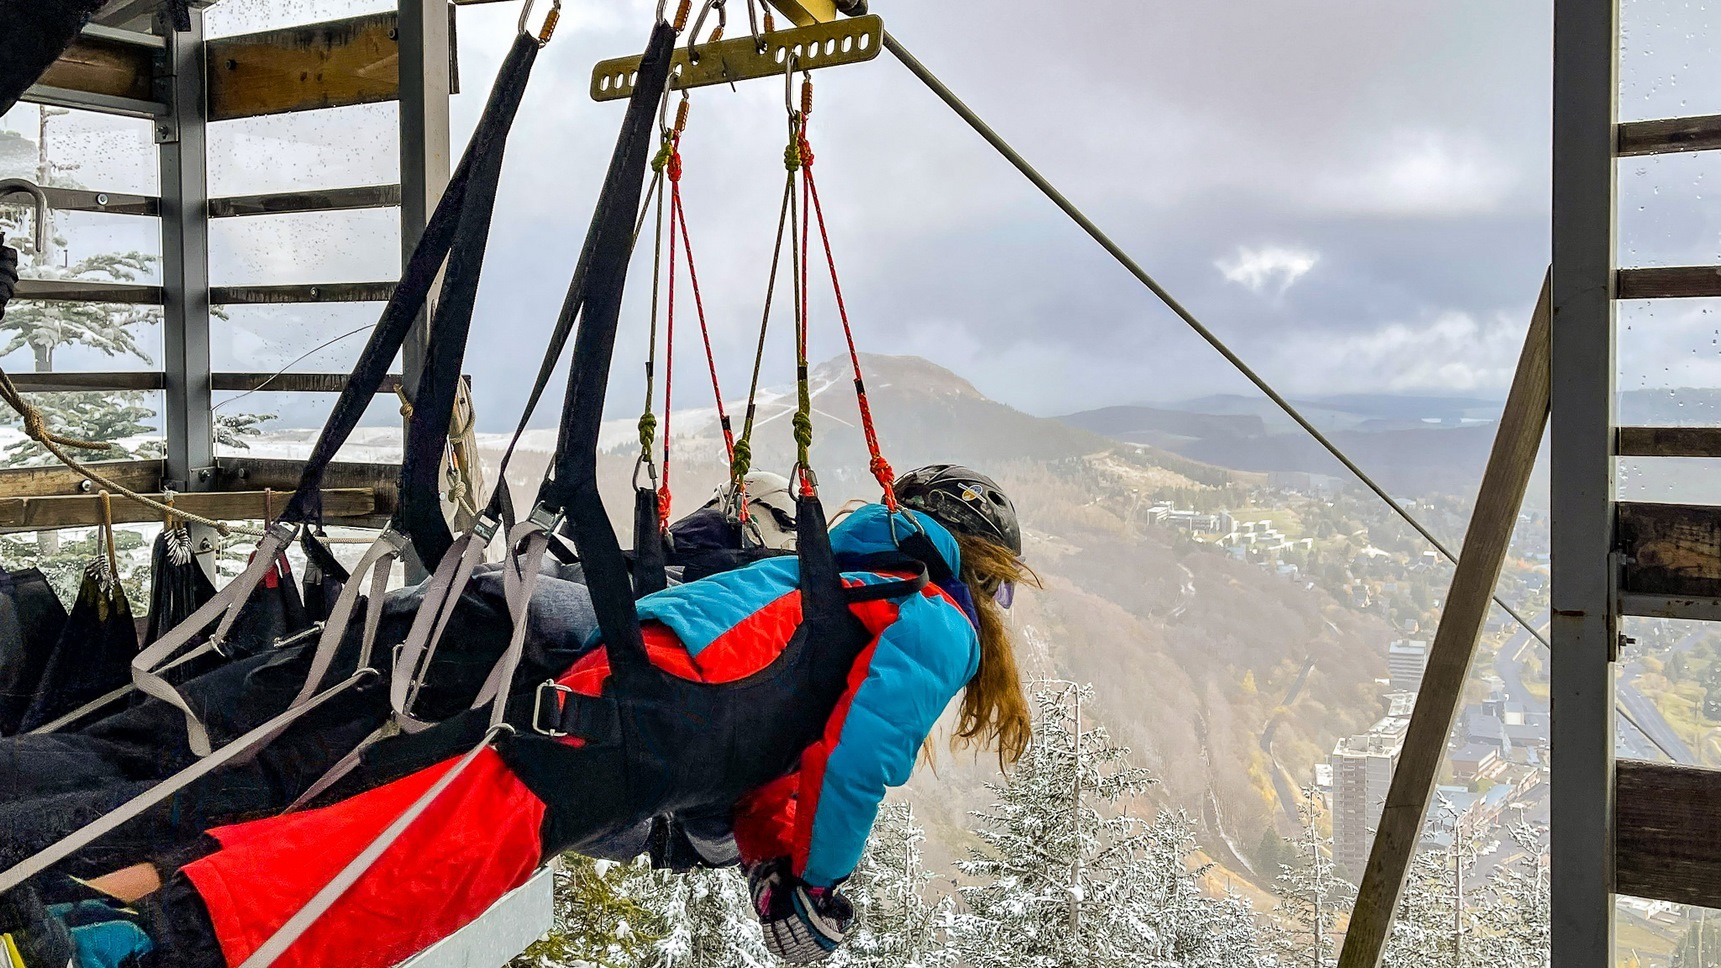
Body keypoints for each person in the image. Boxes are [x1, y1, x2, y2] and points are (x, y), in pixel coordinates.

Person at [1, 465, 1034, 968]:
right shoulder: (930, 616)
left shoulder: (830, 581)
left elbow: (778, 766)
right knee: (386, 881)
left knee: (340, 837)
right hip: (618, 737)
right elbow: (858, 760)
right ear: (979, 571)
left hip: (596, 714)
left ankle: (93, 916)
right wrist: (813, 878)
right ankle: (123, 952)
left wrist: (771, 864)